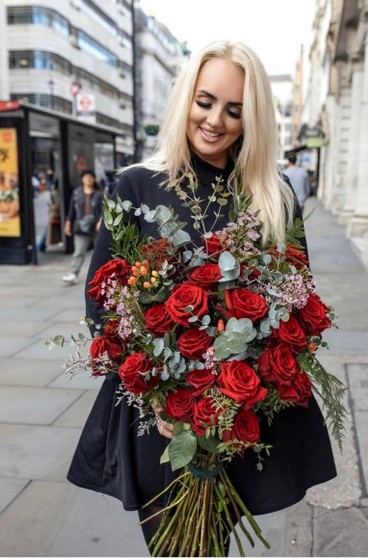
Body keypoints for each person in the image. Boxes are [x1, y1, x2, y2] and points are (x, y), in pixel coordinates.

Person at [67, 41, 336, 551]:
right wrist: (162, 396)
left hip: (244, 416)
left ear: (252, 117)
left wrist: (254, 382)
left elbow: (300, 304)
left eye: (235, 110)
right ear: (185, 98)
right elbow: (102, 304)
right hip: (159, 423)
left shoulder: (273, 195)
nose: (215, 120)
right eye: (205, 101)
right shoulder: (135, 186)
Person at [61, 169, 103, 285]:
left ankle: (100, 275)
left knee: (99, 252)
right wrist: (68, 223)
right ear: (82, 179)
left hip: (96, 226)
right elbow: (71, 211)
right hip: (81, 225)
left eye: (91, 177)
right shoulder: (76, 193)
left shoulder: (99, 194)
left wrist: (100, 221)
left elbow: (104, 210)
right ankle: (74, 273)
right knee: (79, 251)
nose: (88, 179)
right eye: (86, 177)